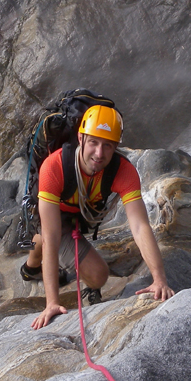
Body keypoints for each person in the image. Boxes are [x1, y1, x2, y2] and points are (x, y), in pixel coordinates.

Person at [21, 104, 174, 329]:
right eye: (93, 142)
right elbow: (53, 236)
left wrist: (159, 278)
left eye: (108, 146)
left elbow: (140, 226)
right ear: (81, 138)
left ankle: (33, 266)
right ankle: (31, 266)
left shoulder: (123, 171)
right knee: (55, 242)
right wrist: (52, 303)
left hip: (76, 215)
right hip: (51, 213)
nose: (99, 154)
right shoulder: (54, 167)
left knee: (95, 274)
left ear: (116, 147)